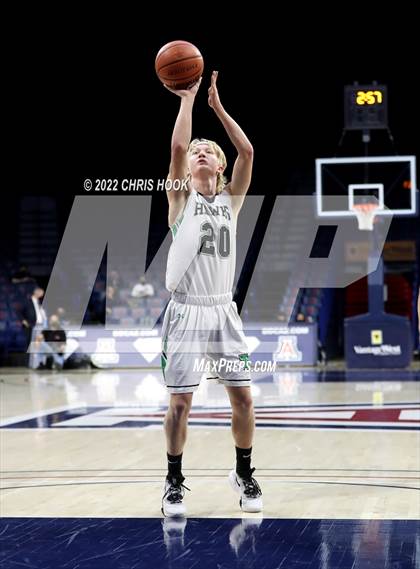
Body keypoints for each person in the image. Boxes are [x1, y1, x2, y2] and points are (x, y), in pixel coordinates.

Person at [160, 71, 262, 517]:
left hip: (223, 312)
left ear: (219, 167)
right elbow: (178, 149)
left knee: (243, 398)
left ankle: (243, 472)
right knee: (180, 403)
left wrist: (218, 108)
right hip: (186, 313)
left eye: (209, 152)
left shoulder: (230, 202)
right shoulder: (180, 197)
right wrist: (188, 99)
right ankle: (174, 482)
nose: (200, 153)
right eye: (197, 151)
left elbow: (248, 151)